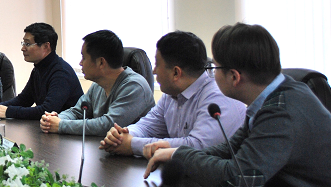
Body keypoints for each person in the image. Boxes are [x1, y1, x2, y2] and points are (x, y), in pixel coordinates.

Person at [144, 23, 331, 187]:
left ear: (234, 77)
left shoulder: (282, 111)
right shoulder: (275, 96)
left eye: (214, 69)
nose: (211, 75)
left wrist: (183, 156)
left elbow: (236, 181)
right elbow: (230, 149)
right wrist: (177, 153)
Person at [100, 31, 245, 157]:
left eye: (157, 64)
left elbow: (198, 145)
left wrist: (133, 145)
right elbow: (147, 126)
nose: (153, 71)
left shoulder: (217, 97)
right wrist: (122, 135)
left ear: (176, 73)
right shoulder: (171, 95)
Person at [40, 30, 153, 135]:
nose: (80, 63)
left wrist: (61, 125)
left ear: (101, 62)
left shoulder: (135, 86)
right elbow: (76, 112)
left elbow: (108, 125)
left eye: (84, 57)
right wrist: (54, 119)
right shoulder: (98, 84)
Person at [0, 22, 82, 120]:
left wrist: (8, 111)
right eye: (23, 43)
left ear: (46, 46)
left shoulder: (61, 72)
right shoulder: (39, 69)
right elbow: (24, 99)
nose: (23, 48)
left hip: (68, 127)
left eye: (27, 44)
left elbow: (47, 110)